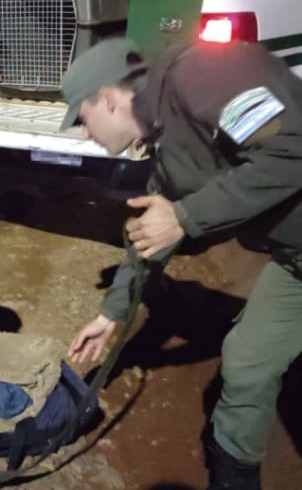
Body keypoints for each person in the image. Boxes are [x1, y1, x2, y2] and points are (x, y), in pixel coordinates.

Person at [61, 36, 302, 490]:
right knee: (247, 362)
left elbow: (294, 151)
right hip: (296, 262)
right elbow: (155, 230)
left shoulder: (204, 73)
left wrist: (188, 217)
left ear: (109, 100)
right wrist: (111, 313)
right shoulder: (167, 140)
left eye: (82, 120)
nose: (85, 134)